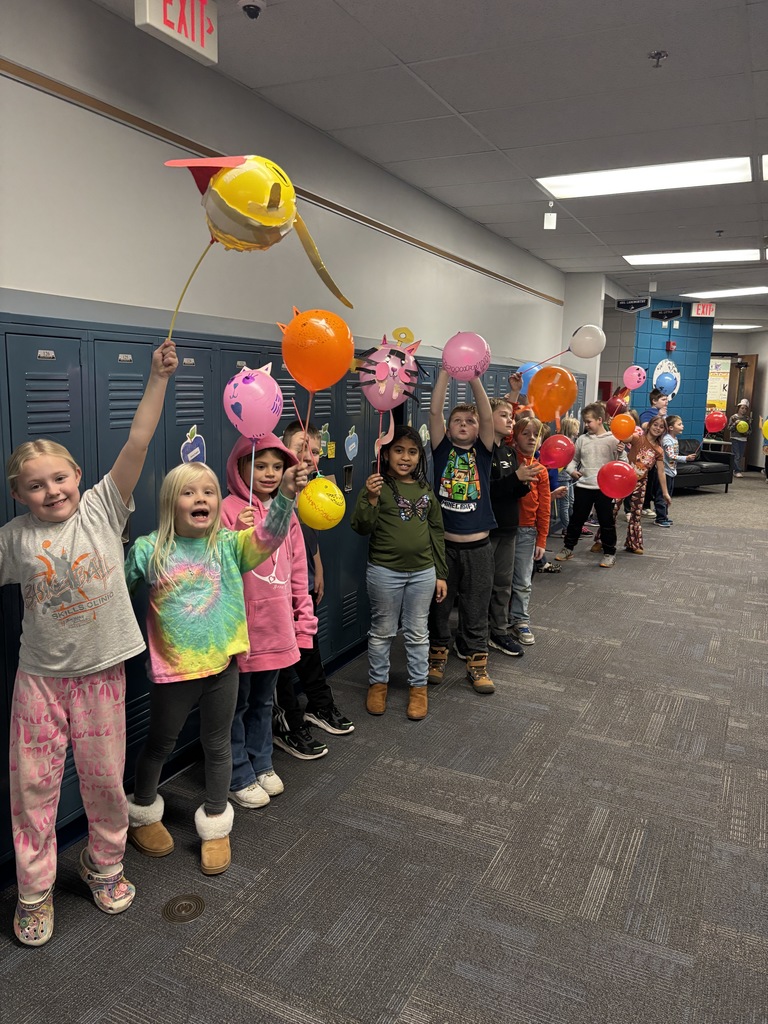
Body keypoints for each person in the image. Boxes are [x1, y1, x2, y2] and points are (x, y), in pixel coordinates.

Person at [0, 338, 177, 947]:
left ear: (78, 476)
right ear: (19, 495)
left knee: (104, 781)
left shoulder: (103, 508)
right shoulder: (13, 539)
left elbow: (137, 442)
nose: (50, 491)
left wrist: (156, 379)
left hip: (102, 675)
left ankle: (104, 866)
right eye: (34, 486)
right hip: (40, 681)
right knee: (34, 787)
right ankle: (34, 890)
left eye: (58, 478)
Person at [123, 456, 306, 877]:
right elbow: (116, 590)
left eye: (208, 491)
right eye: (189, 492)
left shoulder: (228, 545)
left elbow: (269, 536)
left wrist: (286, 496)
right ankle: (145, 811)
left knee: (218, 743)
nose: (201, 498)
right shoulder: (151, 550)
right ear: (171, 503)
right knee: (159, 744)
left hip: (223, 665)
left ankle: (216, 821)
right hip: (175, 672)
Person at [220, 433, 317, 808]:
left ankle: (261, 762)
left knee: (263, 703)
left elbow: (297, 569)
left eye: (277, 467)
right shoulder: (228, 508)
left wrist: (302, 621)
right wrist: (232, 531)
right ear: (241, 467)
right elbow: (212, 564)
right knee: (235, 705)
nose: (270, 473)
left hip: (276, 628)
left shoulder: (285, 512)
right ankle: (237, 771)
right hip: (241, 630)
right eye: (260, 465)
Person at [351, 426, 447, 720]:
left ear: (420, 456)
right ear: (387, 454)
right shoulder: (377, 487)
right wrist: (370, 498)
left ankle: (418, 688)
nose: (405, 457)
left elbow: (436, 532)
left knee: (418, 633)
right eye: (399, 450)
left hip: (423, 573)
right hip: (384, 571)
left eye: (412, 452)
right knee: (382, 631)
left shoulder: (424, 490)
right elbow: (361, 526)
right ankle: (378, 683)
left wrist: (440, 573)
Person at [272, 421, 354, 758]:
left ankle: (319, 705)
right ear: (282, 448)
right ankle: (287, 722)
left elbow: (309, 533)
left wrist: (318, 566)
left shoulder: (314, 488)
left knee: (309, 648)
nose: (309, 457)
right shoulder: (276, 488)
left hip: (302, 582)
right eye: (300, 448)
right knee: (280, 660)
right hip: (276, 590)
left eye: (315, 451)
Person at [427, 368, 497, 693]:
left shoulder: (482, 452)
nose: (464, 425)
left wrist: (473, 377)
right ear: (449, 429)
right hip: (444, 548)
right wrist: (444, 372)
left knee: (476, 605)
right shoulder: (442, 450)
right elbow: (434, 411)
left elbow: (485, 414)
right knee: (440, 605)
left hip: (479, 547)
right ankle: (437, 655)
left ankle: (477, 662)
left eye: (469, 422)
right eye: (458, 421)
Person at [488, 398, 540, 656]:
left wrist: (523, 481)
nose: (510, 420)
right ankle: (472, 635)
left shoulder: (509, 453)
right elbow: (485, 491)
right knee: (480, 587)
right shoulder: (482, 452)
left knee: (503, 585)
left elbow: (513, 491)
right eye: (505, 416)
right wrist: (515, 479)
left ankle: (498, 631)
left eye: (511, 415)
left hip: (510, 528)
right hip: (488, 529)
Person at [556, 403, 623, 568]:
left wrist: (621, 453)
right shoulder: (582, 439)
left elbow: (622, 463)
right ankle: (568, 548)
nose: (585, 425)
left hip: (604, 489)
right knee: (577, 519)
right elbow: (573, 460)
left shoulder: (613, 440)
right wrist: (572, 471)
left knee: (606, 521)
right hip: (584, 486)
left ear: (600, 420)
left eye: (588, 421)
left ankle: (609, 553)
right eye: (585, 421)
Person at [509, 417, 550, 642]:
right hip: (504, 528)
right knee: (501, 578)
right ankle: (497, 618)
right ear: (515, 436)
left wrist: (542, 538)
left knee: (523, 580)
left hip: (526, 531)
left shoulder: (541, 470)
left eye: (536, 434)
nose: (531, 437)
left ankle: (520, 620)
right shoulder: (508, 457)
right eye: (525, 433)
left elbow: (544, 506)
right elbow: (502, 431)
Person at [623, 415, 671, 554]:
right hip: (624, 480)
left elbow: (661, 472)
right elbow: (623, 438)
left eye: (661, 427)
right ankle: (602, 541)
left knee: (636, 514)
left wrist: (665, 492)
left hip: (641, 483)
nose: (658, 428)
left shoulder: (659, 450)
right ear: (649, 425)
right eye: (655, 425)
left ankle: (633, 543)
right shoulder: (637, 438)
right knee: (613, 511)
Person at [657, 414, 696, 527]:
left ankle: (664, 516)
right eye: (679, 424)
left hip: (671, 471)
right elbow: (670, 455)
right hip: (665, 472)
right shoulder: (667, 440)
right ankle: (660, 518)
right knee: (662, 495)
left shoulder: (674, 439)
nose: (682, 426)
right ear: (671, 427)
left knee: (668, 495)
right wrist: (686, 458)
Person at [728, 399, 751, 477]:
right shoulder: (733, 417)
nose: (744, 410)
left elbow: (750, 430)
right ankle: (737, 470)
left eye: (745, 408)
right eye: (742, 408)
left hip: (743, 439)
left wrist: (745, 432)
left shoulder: (747, 419)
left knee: (740, 455)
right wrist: (735, 424)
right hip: (735, 438)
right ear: (738, 408)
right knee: (736, 455)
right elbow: (729, 428)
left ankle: (734, 469)